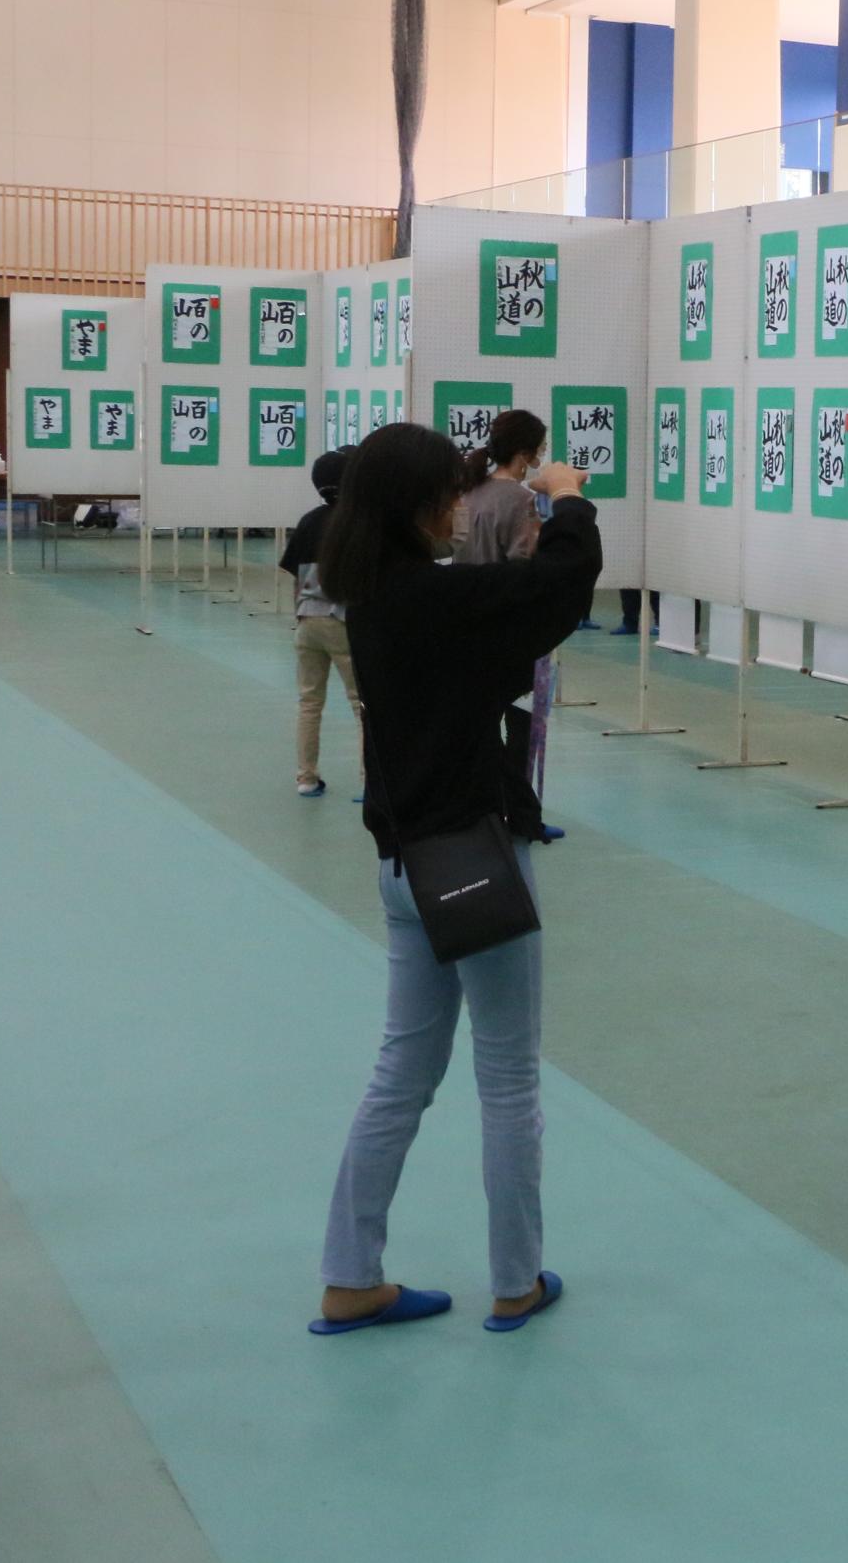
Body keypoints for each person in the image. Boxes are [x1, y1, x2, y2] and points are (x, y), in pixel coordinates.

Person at [309, 423, 599, 1338]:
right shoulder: (434, 601)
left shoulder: (374, 600)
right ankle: (515, 1280)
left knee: (401, 1071)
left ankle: (350, 1276)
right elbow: (557, 584)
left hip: (405, 866)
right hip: (473, 859)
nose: (458, 508)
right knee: (508, 1074)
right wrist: (568, 498)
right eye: (447, 494)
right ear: (414, 506)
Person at [455, 411, 565, 844]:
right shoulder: (520, 501)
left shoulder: (470, 494)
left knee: (479, 723)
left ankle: (487, 807)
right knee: (520, 727)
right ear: (525, 454)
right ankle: (521, 815)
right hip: (511, 627)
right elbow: (524, 565)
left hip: (468, 622)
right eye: (539, 448)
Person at [279, 449, 361, 798]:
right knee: (363, 706)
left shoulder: (309, 520)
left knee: (310, 703)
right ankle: (373, 783)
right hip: (342, 621)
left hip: (307, 621)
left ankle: (306, 778)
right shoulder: (357, 522)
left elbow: (295, 575)